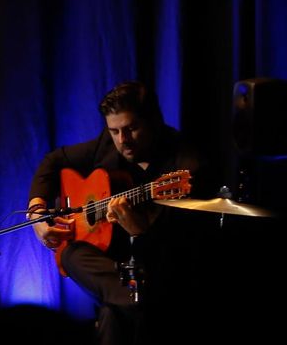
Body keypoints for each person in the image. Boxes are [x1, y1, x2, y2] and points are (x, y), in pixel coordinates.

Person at [27, 80, 206, 345]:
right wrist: (37, 214)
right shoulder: (107, 144)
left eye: (132, 129)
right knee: (70, 254)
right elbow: (53, 162)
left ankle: (136, 303)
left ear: (154, 121)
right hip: (114, 268)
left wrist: (139, 230)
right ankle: (137, 302)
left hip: (160, 271)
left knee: (112, 315)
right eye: (115, 131)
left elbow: (181, 250)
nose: (124, 140)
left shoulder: (184, 166)